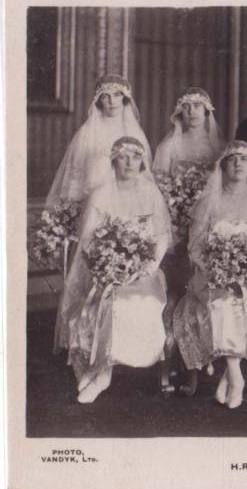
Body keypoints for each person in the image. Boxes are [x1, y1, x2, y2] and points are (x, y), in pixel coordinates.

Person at [53, 136, 171, 404]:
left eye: (136, 156)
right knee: (106, 299)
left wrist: (147, 265)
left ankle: (102, 374)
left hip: (143, 271)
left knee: (133, 303)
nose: (130, 162)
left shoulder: (150, 193)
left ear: (142, 162)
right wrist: (108, 265)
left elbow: (162, 235)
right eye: (124, 156)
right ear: (114, 160)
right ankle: (99, 370)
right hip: (105, 269)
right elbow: (89, 239)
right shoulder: (101, 193)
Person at [172, 141, 247, 409]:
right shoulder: (208, 202)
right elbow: (195, 245)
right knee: (222, 305)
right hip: (212, 276)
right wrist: (217, 269)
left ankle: (227, 378)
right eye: (232, 159)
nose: (237, 164)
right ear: (222, 167)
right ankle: (237, 377)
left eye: (243, 160)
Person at [152, 87, 224, 395]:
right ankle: (171, 361)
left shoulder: (218, 148)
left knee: (201, 292)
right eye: (188, 106)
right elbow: (158, 188)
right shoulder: (169, 145)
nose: (193, 112)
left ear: (208, 112)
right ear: (179, 112)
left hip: (206, 230)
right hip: (176, 226)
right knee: (174, 293)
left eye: (199, 107)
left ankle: (201, 355)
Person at [46, 74, 151, 207]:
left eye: (117, 95)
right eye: (105, 96)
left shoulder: (135, 132)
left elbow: (142, 175)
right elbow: (76, 180)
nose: (112, 102)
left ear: (125, 98)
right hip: (95, 201)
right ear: (98, 101)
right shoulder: (87, 133)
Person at [153, 87, 224, 175]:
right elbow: (161, 181)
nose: (191, 112)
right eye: (186, 107)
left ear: (205, 110)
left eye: (197, 106)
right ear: (180, 112)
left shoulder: (220, 146)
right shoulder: (169, 145)